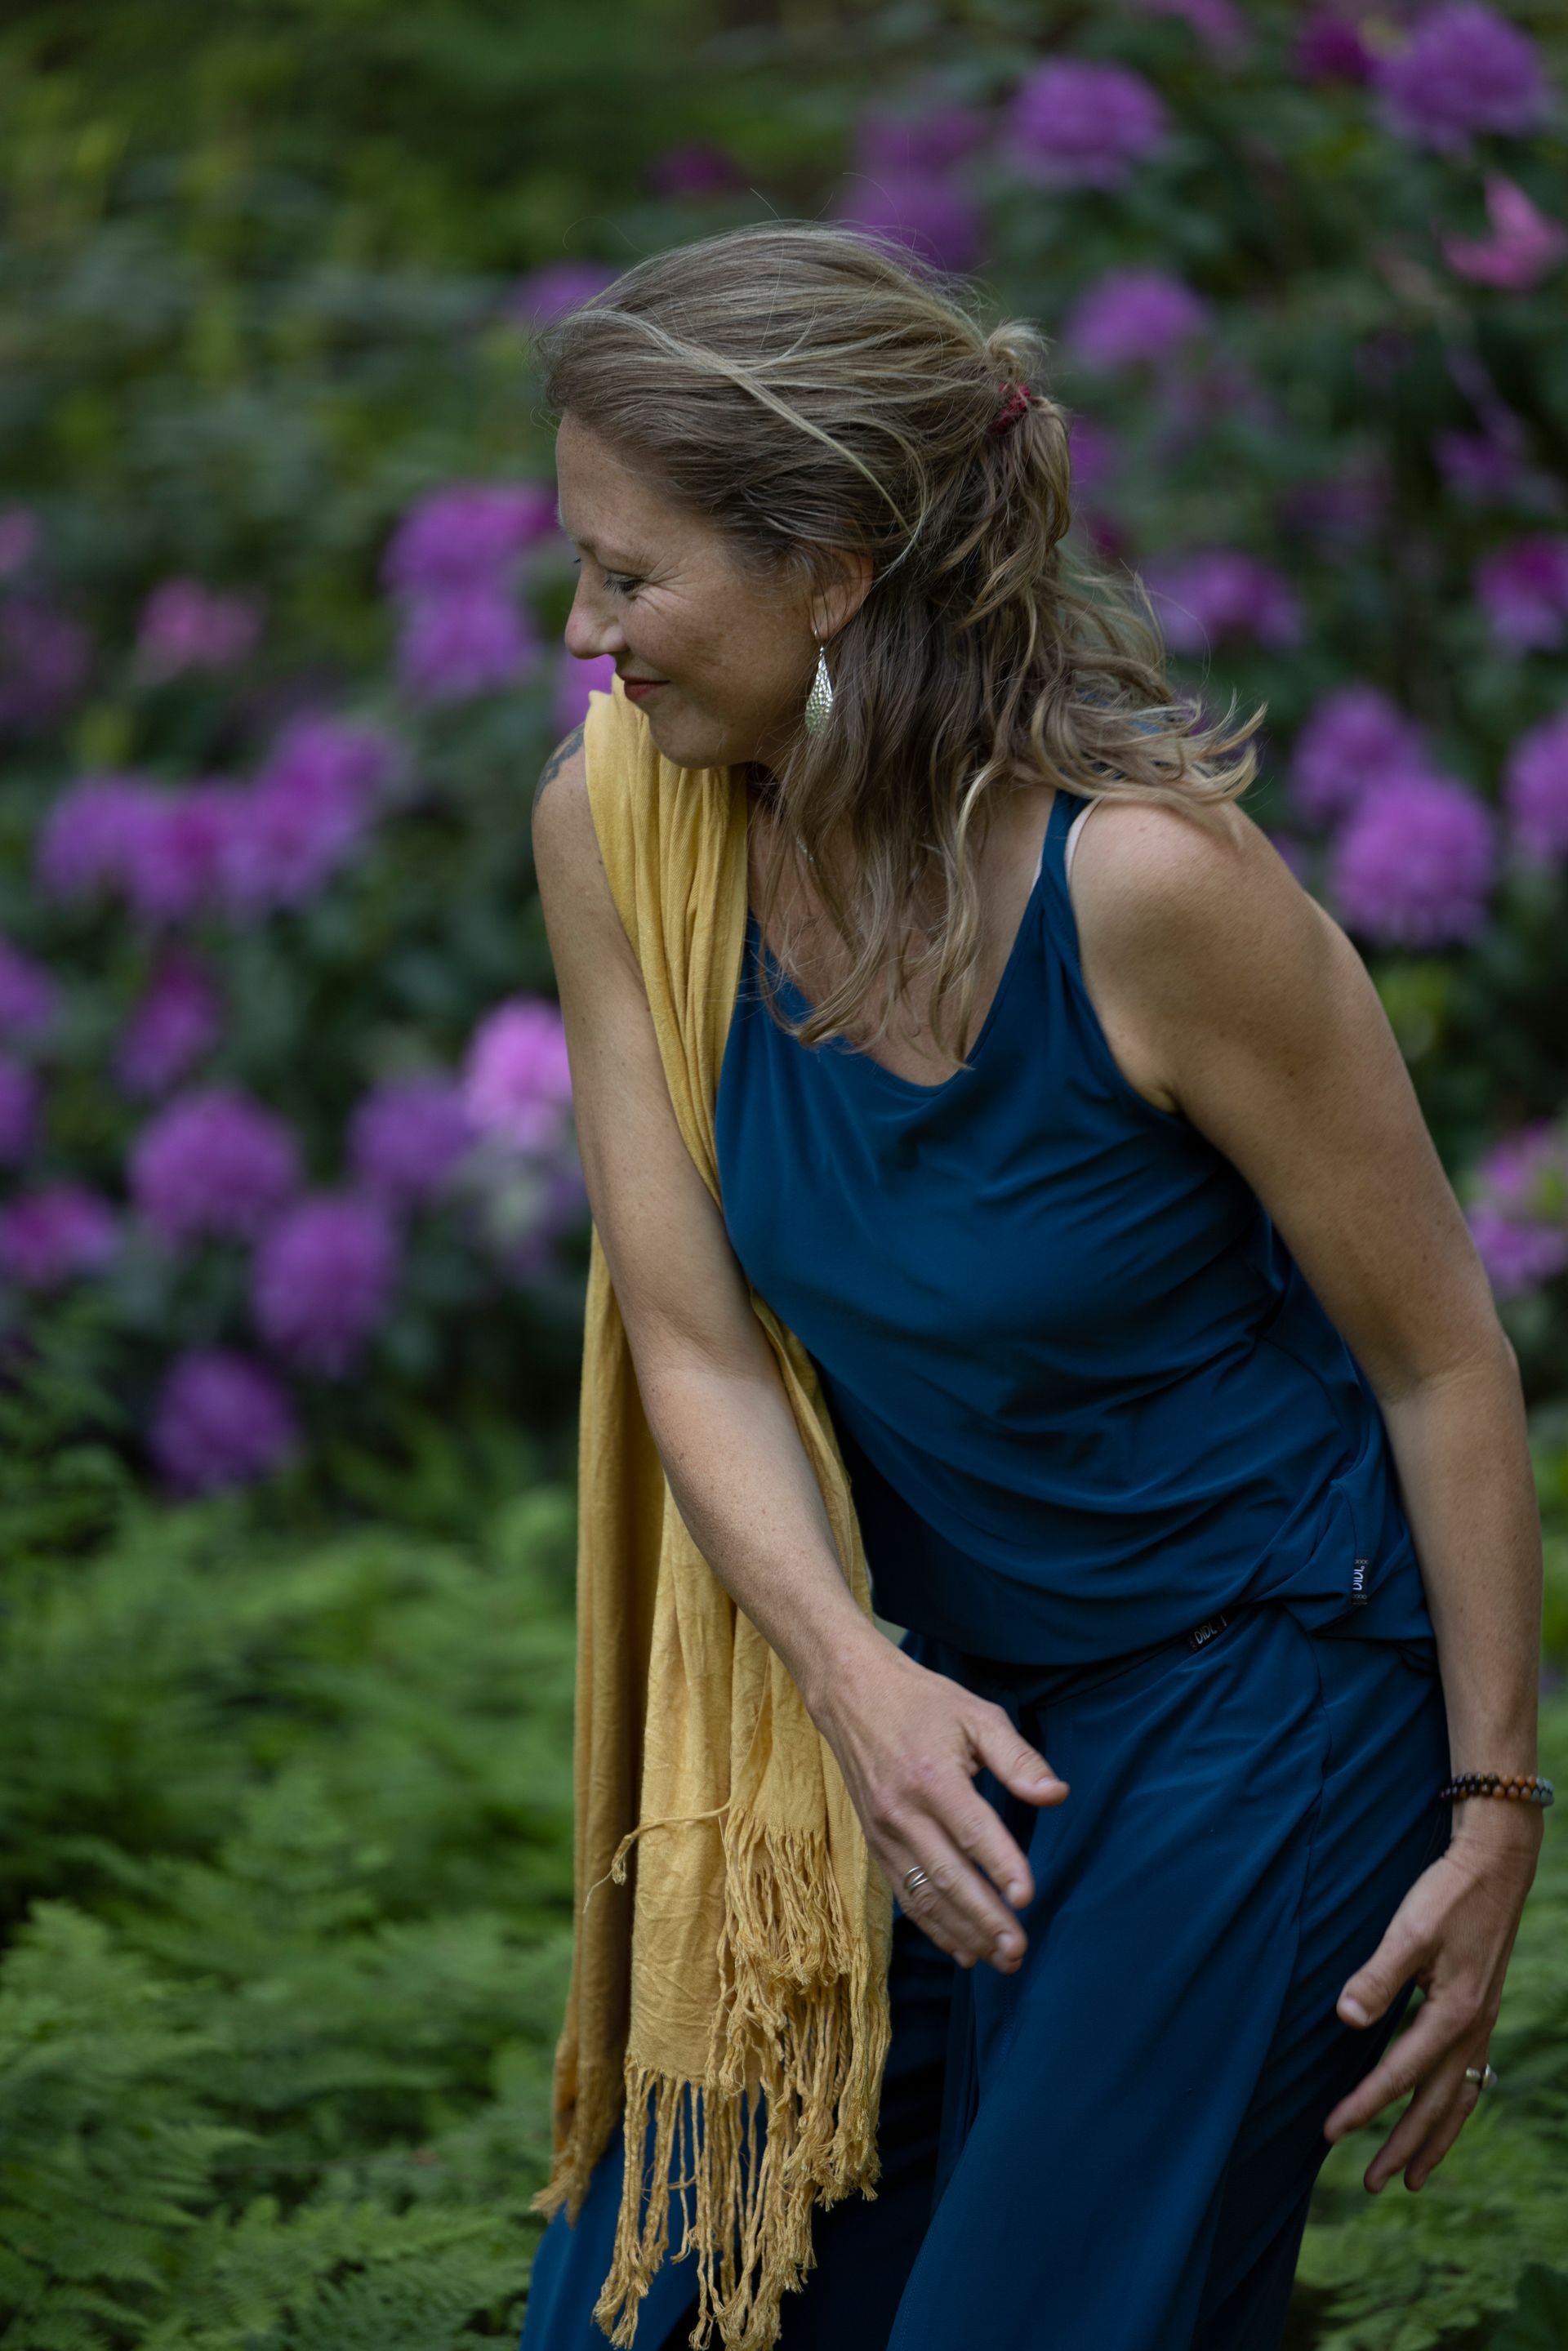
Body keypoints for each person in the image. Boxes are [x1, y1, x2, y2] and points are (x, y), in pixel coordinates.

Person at [519, 222, 1547, 2351]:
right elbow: (689, 1334)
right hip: (941, 1708)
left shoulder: (1153, 890)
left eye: (633, 576)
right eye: (579, 564)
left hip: (1268, 1687)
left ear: (832, 569)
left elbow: (1443, 1360)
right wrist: (858, 1687)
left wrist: (1496, 1804)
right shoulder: (625, 830)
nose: (583, 630)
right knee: (652, 2315)